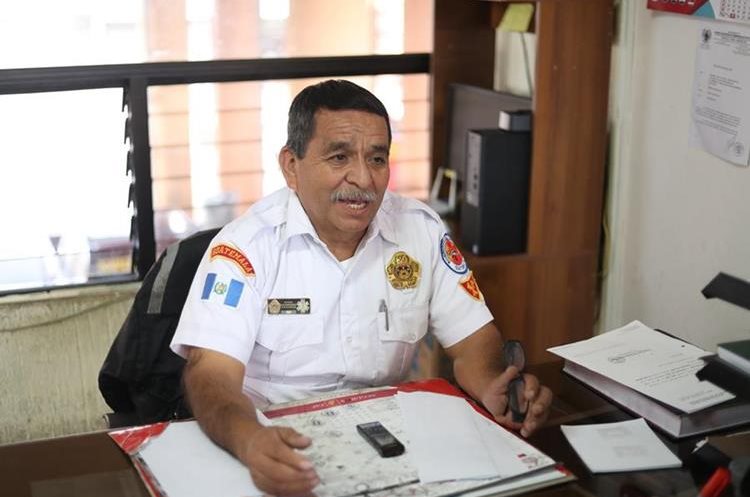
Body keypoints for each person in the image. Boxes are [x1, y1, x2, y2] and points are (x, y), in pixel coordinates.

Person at [170, 79, 553, 496]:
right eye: (339, 157)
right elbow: (210, 375)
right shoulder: (244, 248)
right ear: (291, 165)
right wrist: (248, 439)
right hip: (273, 443)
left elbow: (474, 342)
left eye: (377, 158)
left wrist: (493, 385)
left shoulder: (419, 232)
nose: (363, 178)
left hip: (390, 444)